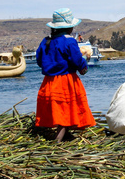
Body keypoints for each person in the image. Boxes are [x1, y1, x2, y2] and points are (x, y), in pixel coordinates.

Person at [35, 8, 96, 142]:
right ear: (69, 27)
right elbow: (76, 59)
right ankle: (57, 142)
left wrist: (51, 68)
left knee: (60, 108)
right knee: (65, 110)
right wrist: (83, 67)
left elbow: (39, 60)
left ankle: (66, 135)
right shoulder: (69, 41)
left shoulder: (45, 41)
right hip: (65, 82)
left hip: (48, 82)